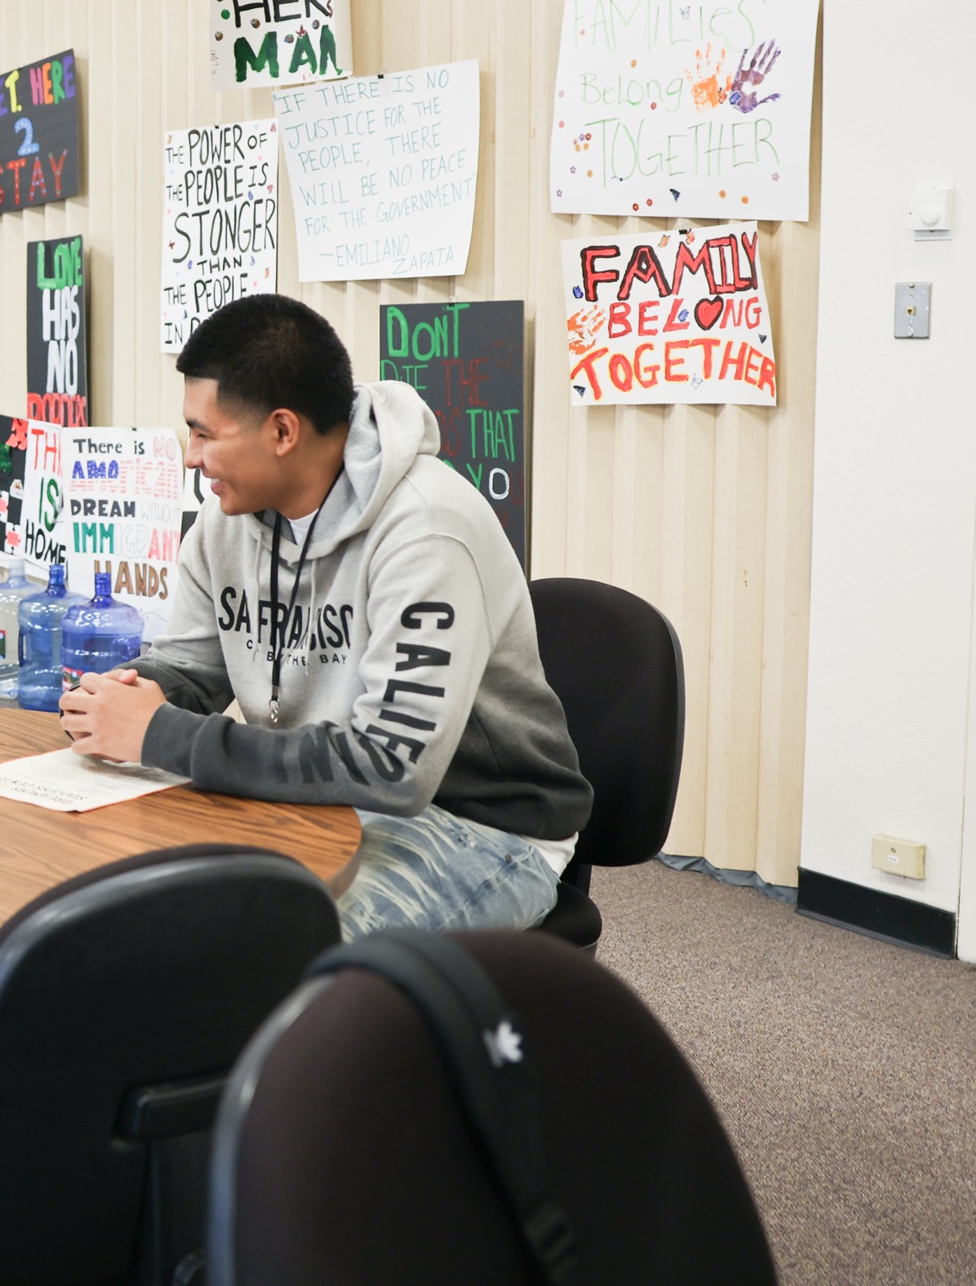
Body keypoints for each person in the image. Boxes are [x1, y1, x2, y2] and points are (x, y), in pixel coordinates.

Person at [60, 294, 592, 939]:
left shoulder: (427, 530)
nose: (191, 456)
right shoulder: (225, 521)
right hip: (322, 797)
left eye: (205, 433)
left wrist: (161, 734)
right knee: (129, 900)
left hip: (479, 825)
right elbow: (191, 669)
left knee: (279, 946)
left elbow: (393, 769)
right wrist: (125, 696)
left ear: (283, 432)